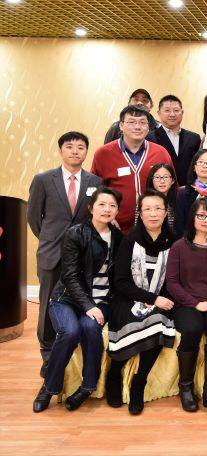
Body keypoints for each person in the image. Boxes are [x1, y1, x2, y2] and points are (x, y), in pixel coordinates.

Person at [32, 187, 122, 413]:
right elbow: (70, 276)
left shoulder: (119, 238)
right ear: (91, 207)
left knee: (90, 329)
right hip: (67, 298)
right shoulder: (75, 233)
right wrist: (88, 305)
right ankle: (49, 387)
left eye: (112, 205)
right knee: (70, 331)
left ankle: (87, 387)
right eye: (102, 204)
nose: (107, 209)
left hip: (101, 300)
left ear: (117, 211)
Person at [27, 131, 103, 378]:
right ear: (61, 150)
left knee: (79, 302)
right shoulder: (43, 180)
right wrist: (51, 239)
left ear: (86, 152)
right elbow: (34, 218)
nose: (75, 151)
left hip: (82, 255)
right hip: (51, 254)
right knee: (48, 305)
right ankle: (48, 355)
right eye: (70, 146)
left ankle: (75, 353)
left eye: (80, 147)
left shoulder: (96, 182)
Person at [106, 190, 178, 415]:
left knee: (158, 321)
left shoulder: (174, 242)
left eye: (158, 208)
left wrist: (157, 301)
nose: (153, 213)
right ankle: (114, 374)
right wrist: (150, 298)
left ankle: (139, 383)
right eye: (147, 209)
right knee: (131, 319)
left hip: (161, 299)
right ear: (140, 213)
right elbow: (120, 281)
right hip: (128, 298)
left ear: (166, 213)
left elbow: (174, 280)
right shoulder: (129, 240)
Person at [165, 198, 207, 416]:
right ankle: (186, 387)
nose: (206, 220)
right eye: (201, 215)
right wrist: (194, 303)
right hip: (187, 302)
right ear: (192, 218)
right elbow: (172, 283)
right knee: (191, 329)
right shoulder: (179, 247)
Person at [91, 105, 174, 233]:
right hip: (116, 227)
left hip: (154, 228)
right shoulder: (103, 154)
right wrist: (105, 216)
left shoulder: (160, 152)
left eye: (142, 122)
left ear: (148, 127)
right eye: (131, 122)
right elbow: (94, 191)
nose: (137, 127)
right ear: (121, 125)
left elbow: (173, 189)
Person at [147, 94, 201, 187]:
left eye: (176, 110)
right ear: (159, 113)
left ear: (182, 112)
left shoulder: (194, 138)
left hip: (190, 189)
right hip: (161, 190)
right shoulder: (149, 138)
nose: (172, 114)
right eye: (167, 110)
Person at [143, 163, 178, 232]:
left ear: (173, 181)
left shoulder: (179, 200)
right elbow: (139, 227)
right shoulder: (144, 201)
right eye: (157, 177)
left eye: (166, 177)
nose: (162, 181)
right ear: (152, 180)